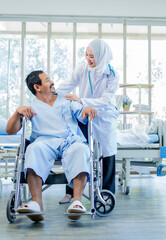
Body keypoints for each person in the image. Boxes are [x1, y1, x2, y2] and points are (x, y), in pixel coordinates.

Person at [6, 70, 97, 222]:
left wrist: (86, 107)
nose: (52, 81)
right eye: (47, 80)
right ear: (37, 87)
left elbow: (82, 111)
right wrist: (17, 112)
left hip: (70, 141)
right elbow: (10, 130)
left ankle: (77, 202)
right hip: (44, 142)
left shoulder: (67, 100)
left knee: (81, 149)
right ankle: (36, 204)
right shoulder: (30, 106)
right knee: (33, 149)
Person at [57, 38, 119, 203]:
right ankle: (70, 191)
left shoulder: (112, 73)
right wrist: (51, 95)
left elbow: (105, 100)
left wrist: (81, 100)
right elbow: (67, 85)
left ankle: (107, 192)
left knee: (107, 151)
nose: (88, 59)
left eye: (92, 56)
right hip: (84, 112)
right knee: (76, 148)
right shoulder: (82, 68)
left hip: (104, 114)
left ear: (102, 56)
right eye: (86, 55)